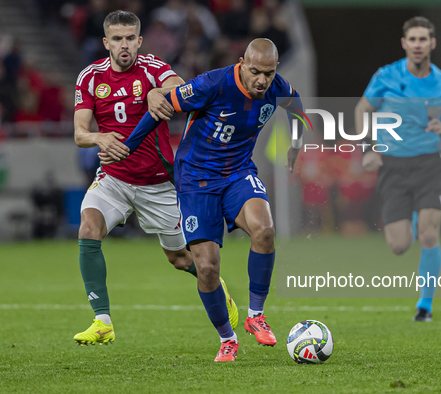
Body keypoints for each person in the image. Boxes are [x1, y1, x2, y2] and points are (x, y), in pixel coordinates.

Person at [101, 38, 303, 362]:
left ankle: (256, 315)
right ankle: (228, 338)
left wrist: (296, 142)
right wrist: (128, 145)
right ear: (241, 63)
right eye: (255, 72)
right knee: (207, 267)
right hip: (196, 180)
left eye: (268, 73)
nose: (262, 80)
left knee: (265, 231)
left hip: (238, 173)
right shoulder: (214, 83)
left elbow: (297, 106)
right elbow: (160, 108)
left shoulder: (277, 87)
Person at [72, 10, 238, 346]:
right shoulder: (89, 77)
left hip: (158, 182)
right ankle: (102, 320)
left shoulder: (151, 67)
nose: (124, 45)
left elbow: (180, 86)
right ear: (106, 42)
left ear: (139, 40)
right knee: (88, 229)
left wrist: (156, 92)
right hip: (114, 178)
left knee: (179, 259)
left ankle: (219, 288)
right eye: (117, 39)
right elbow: (79, 133)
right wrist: (99, 138)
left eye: (130, 38)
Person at [355, 16, 441, 322]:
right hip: (393, 167)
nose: (418, 45)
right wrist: (367, 149)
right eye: (413, 39)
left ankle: (425, 306)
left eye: (424, 39)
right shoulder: (386, 75)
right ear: (404, 44)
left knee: (429, 235)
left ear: (432, 44)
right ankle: (411, 215)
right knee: (398, 245)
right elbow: (362, 109)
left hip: (429, 166)